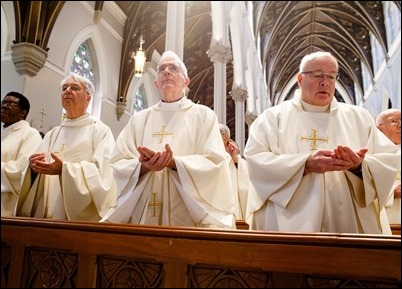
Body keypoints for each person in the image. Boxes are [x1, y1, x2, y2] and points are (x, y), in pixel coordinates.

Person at [244, 51, 400, 234]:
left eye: (331, 76)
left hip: (348, 220)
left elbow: (387, 160)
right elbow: (256, 161)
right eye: (317, 75)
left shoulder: (359, 117)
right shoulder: (271, 118)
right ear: (300, 79)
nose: (325, 82)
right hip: (287, 223)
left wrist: (359, 167)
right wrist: (305, 165)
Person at [101, 51, 236, 228]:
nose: (166, 71)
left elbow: (215, 163)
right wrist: (142, 166)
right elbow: (118, 162)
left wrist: (175, 163)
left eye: (173, 68)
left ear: (186, 81)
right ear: (156, 82)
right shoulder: (139, 119)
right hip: (143, 207)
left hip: (187, 215)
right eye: (161, 69)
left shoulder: (204, 116)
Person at [16, 72, 117, 221]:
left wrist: (64, 170)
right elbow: (36, 170)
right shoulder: (52, 134)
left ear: (88, 98)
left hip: (75, 219)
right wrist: (33, 168)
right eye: (64, 88)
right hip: (45, 212)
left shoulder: (100, 131)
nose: (67, 91)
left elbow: (104, 174)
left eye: (75, 88)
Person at [1, 91, 42, 217]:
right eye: (4, 102)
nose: (5, 106)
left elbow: (22, 170)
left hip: (6, 205)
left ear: (23, 113)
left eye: (12, 104)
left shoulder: (30, 134)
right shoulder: (3, 132)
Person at [219, 123, 249, 221]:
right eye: (223, 142)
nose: (227, 146)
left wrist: (237, 160)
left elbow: (246, 188)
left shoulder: (231, 159)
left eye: (227, 142)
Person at [376, 108, 401, 225]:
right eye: (394, 121)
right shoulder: (371, 153)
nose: (400, 125)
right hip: (385, 216)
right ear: (379, 129)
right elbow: (361, 188)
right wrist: (392, 193)